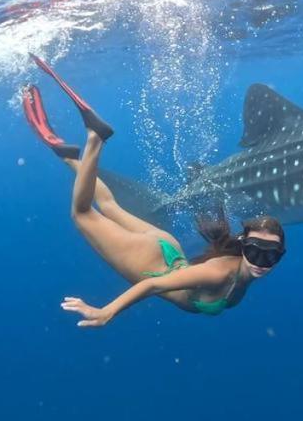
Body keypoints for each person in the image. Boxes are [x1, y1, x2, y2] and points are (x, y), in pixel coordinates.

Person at [21, 54, 285, 327]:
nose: (262, 262)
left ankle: (67, 154)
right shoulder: (219, 274)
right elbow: (152, 285)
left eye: (271, 255)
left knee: (110, 207)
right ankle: (94, 139)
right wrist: (107, 312)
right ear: (244, 247)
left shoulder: (243, 269)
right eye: (256, 252)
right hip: (149, 261)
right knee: (82, 214)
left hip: (168, 247)